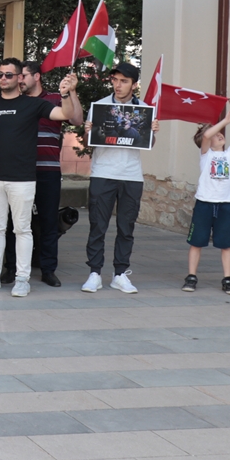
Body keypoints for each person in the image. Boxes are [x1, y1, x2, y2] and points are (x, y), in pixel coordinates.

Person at [0, 58, 77, 298]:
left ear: (20, 78)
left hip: (23, 178)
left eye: (9, 75)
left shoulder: (33, 105)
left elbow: (65, 114)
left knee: (22, 229)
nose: (3, 79)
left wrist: (67, 93)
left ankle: (22, 278)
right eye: (0, 74)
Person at [4, 60, 83, 288]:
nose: (19, 80)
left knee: (49, 222)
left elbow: (77, 119)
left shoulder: (56, 100)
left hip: (48, 170)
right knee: (14, 222)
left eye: (23, 76)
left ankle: (48, 269)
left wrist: (72, 91)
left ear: (37, 76)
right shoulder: (14, 102)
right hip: (19, 171)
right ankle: (11, 268)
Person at [81, 61, 158, 294]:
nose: (118, 85)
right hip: (103, 173)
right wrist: (86, 132)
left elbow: (149, 144)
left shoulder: (143, 109)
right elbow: (87, 144)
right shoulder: (100, 107)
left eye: (124, 81)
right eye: (115, 80)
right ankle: (94, 273)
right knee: (98, 225)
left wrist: (152, 132)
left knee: (126, 227)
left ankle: (120, 274)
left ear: (134, 85)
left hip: (131, 176)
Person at [184, 101, 230, 295]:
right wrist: (225, 120)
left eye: (221, 133)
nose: (220, 134)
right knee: (197, 242)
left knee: (227, 244)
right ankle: (191, 277)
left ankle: (228, 279)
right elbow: (208, 135)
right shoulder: (205, 154)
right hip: (204, 203)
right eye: (216, 133)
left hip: (225, 204)